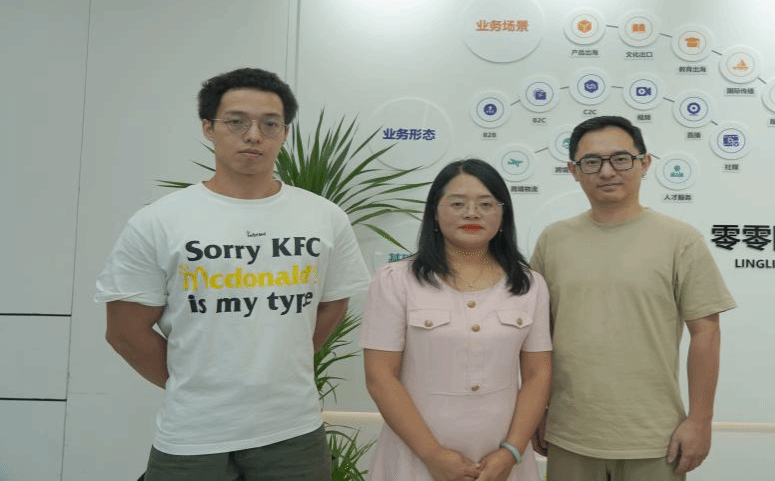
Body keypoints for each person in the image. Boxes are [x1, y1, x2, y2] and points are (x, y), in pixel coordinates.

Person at [96, 67, 368, 480]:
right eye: (236, 122)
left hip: (293, 431)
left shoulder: (325, 218)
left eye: (270, 124)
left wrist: (281, 365)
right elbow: (124, 331)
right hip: (192, 434)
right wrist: (194, 384)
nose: (254, 135)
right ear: (208, 127)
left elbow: (333, 304)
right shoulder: (159, 222)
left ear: (285, 133)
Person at [530, 115, 736, 481]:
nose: (607, 171)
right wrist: (537, 409)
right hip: (570, 433)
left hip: (656, 438)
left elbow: (706, 332)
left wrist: (700, 420)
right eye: (591, 162)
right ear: (573, 171)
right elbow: (538, 336)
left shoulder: (680, 240)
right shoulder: (553, 240)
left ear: (644, 163)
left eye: (620, 159)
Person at [361, 158, 552, 481]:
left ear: (503, 215)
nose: (472, 213)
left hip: (502, 460)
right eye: (457, 203)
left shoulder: (528, 285)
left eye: (486, 204)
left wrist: (512, 451)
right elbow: (380, 376)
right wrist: (432, 455)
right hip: (416, 456)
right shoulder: (396, 280)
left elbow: (538, 374)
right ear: (435, 213)